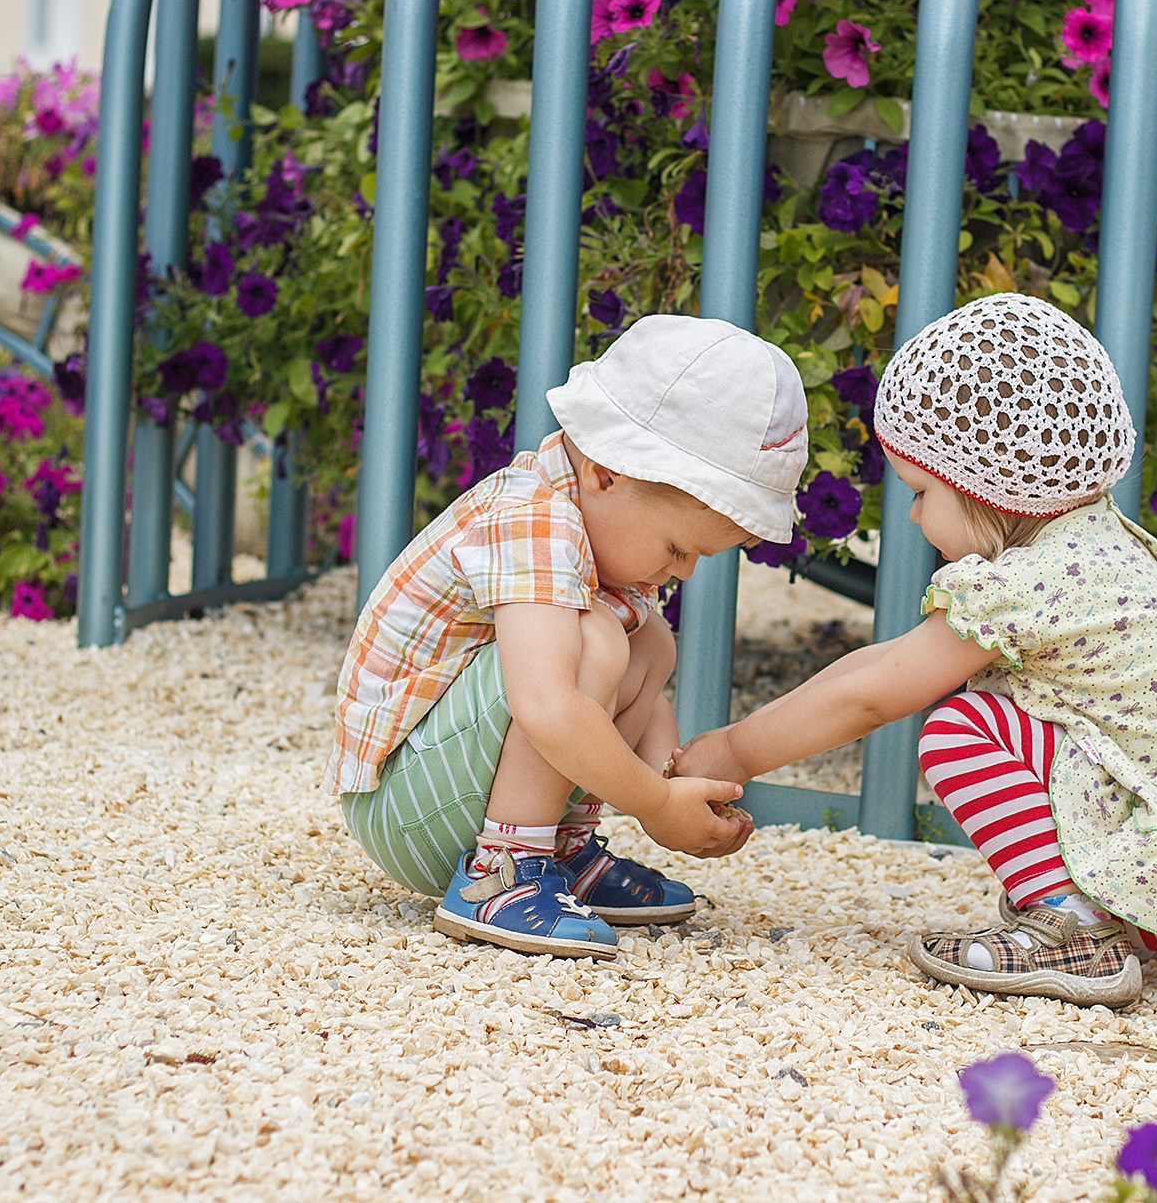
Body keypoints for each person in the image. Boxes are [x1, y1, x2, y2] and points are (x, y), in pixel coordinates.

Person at [675, 294, 1157, 1007]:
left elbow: (878, 689)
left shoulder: (1031, 582)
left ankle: (1074, 928)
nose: (912, 515)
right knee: (1006, 707)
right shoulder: (1090, 541)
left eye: (920, 491)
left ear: (986, 486)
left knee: (961, 729)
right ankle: (1118, 914)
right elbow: (884, 662)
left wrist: (734, 751)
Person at [327, 316, 804, 959]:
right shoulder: (534, 518)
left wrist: (671, 775)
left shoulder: (589, 522)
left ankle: (558, 852)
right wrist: (656, 803)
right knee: (599, 640)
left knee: (649, 640)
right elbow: (549, 706)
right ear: (607, 472)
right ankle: (502, 874)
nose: (684, 570)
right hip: (401, 802)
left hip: (448, 783)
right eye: (677, 547)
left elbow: (639, 693)